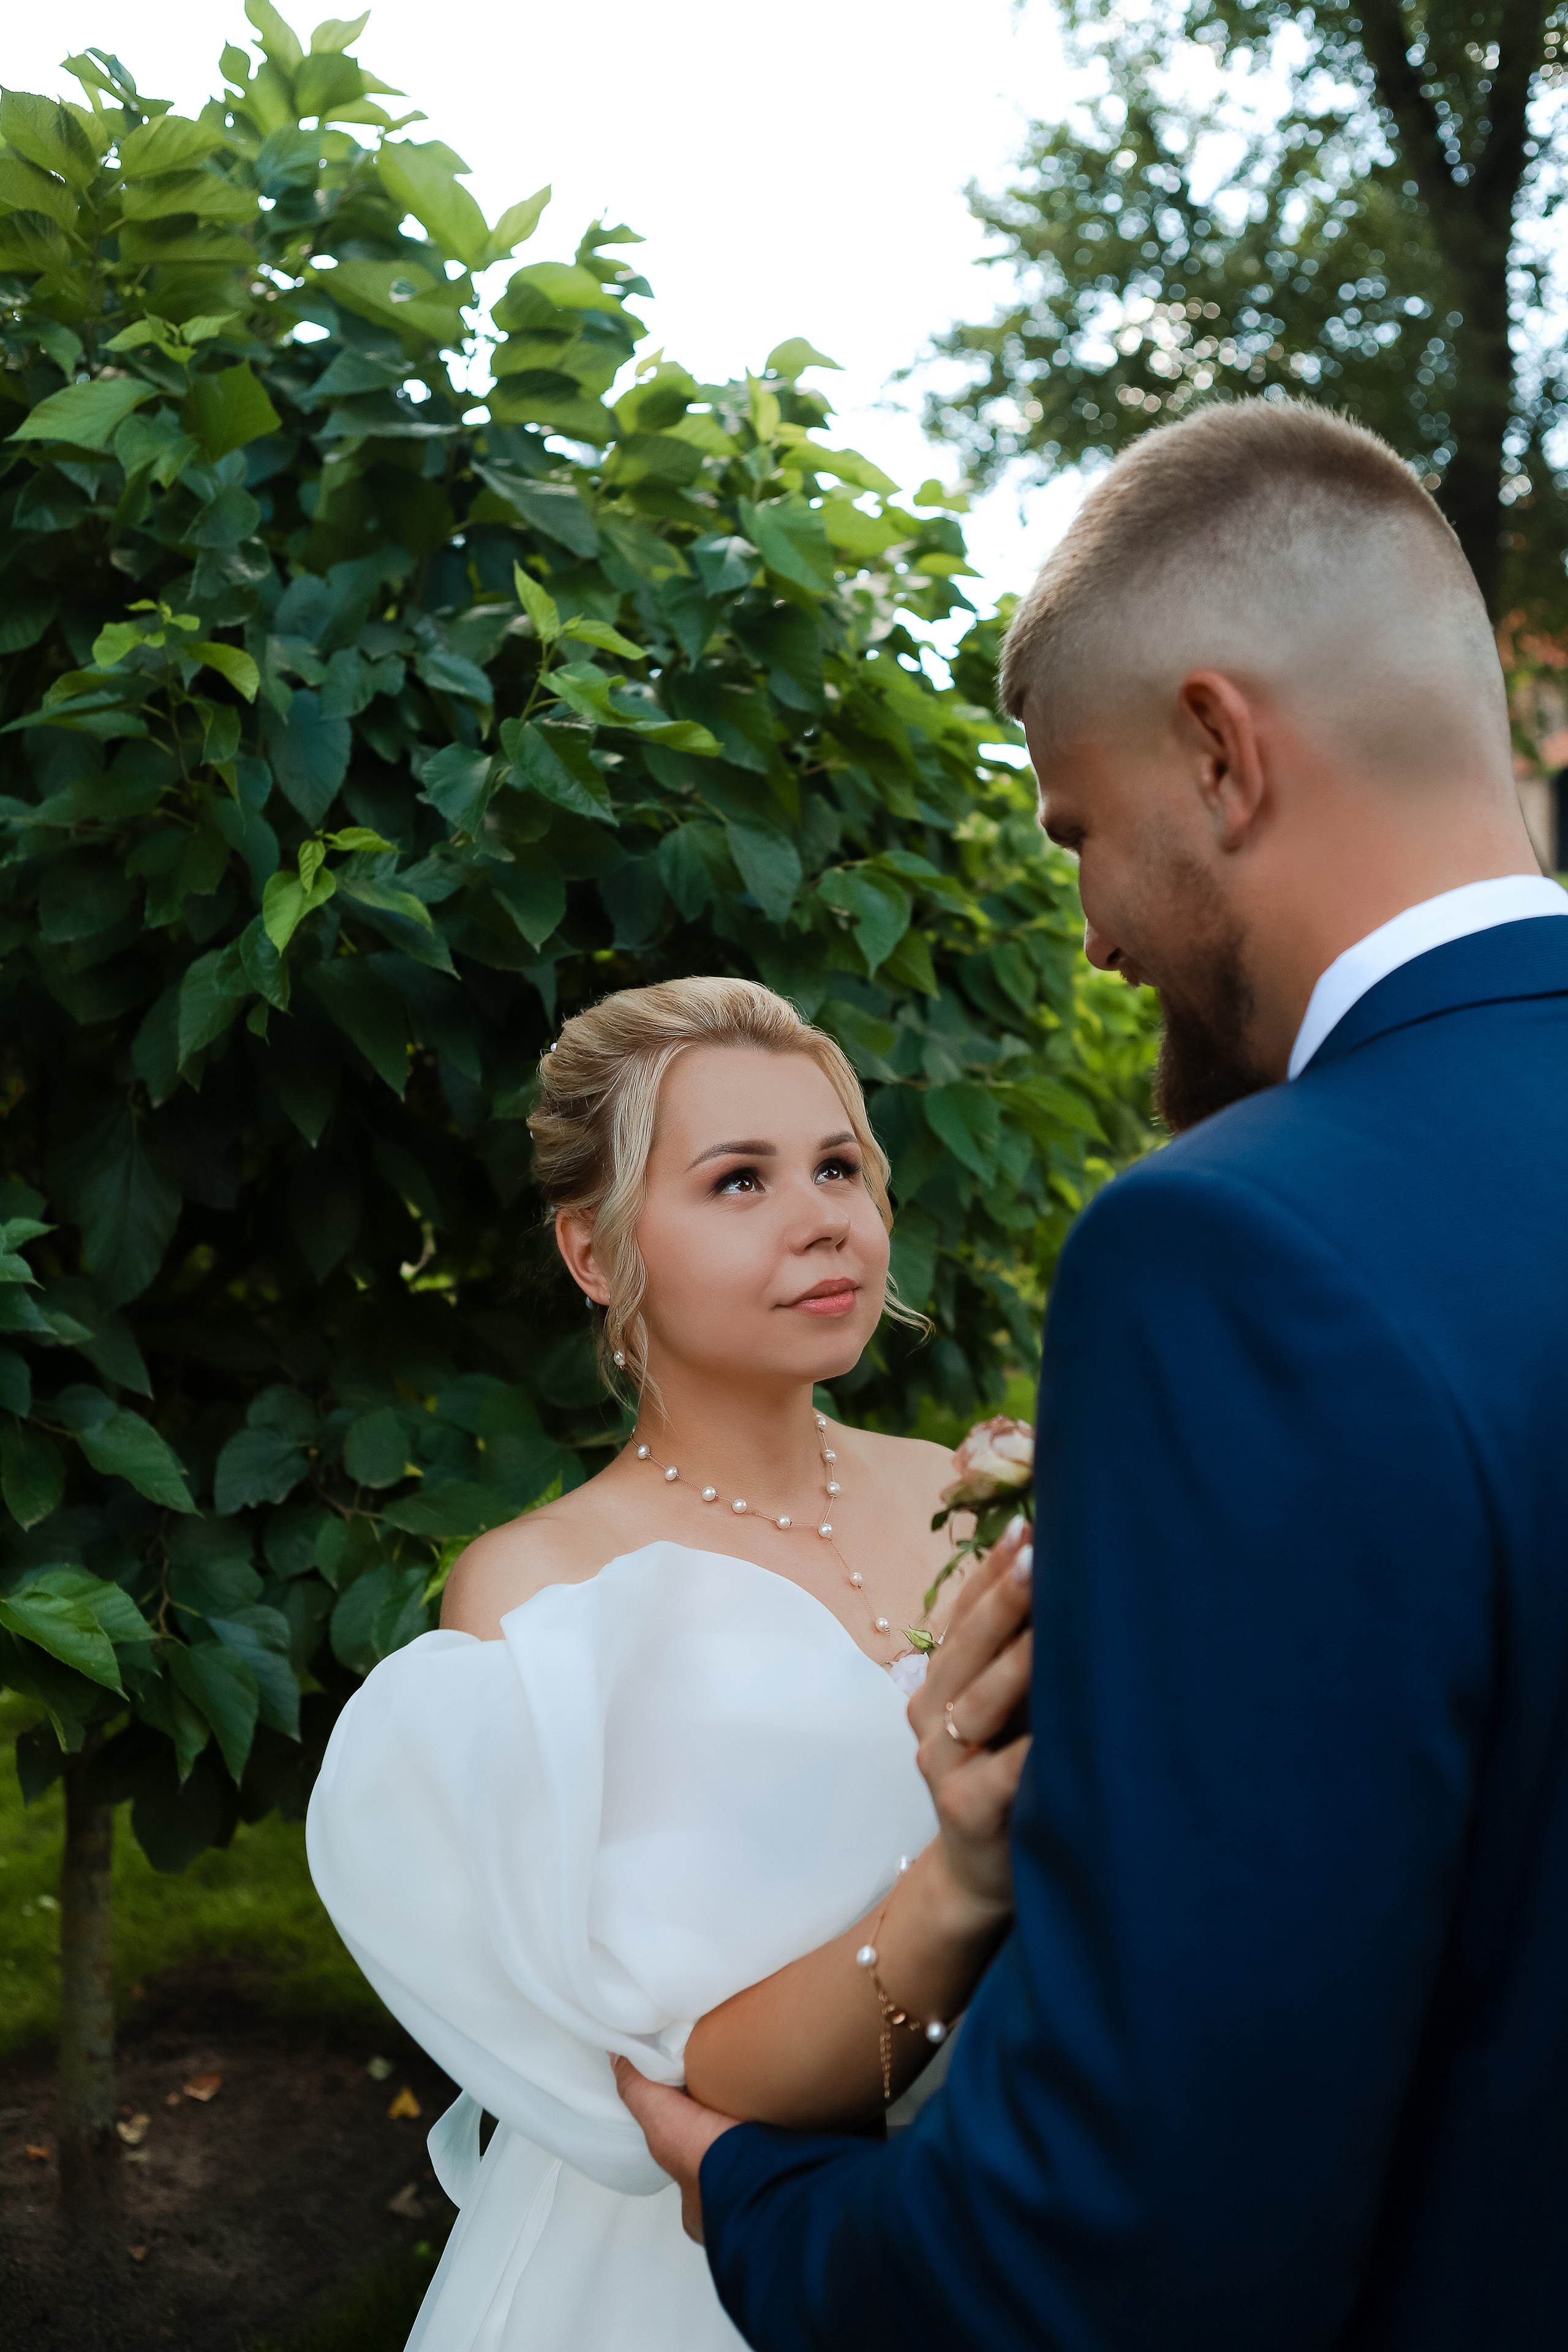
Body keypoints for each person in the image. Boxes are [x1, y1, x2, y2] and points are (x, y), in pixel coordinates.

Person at [617, 398, 1568, 2350]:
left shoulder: (1241, 1255)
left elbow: (1139, 2242)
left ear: (1220, 753)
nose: (1094, 938)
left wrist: (760, 2197)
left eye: (1079, 834)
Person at [305, 976, 1033, 2352]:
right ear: (593, 1252)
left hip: (1005, 2193)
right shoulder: (542, 1593)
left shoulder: (968, 1492)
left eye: (836, 1166)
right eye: (737, 1181)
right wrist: (963, 1877)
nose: (821, 1216)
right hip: (700, 2262)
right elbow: (698, 2075)